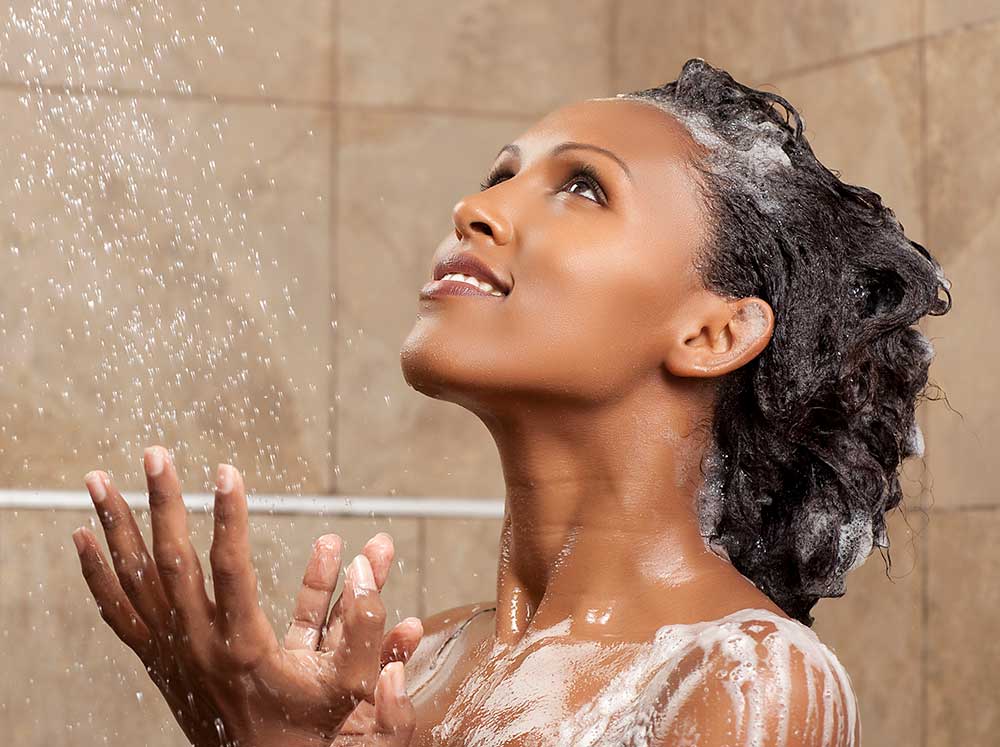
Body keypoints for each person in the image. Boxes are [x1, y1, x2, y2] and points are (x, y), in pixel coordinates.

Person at [70, 58, 951, 746]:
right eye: (501, 173)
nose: (474, 208)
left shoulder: (748, 682)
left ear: (712, 332)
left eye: (583, 187)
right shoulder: (418, 667)